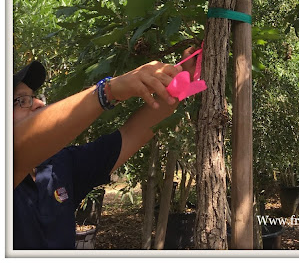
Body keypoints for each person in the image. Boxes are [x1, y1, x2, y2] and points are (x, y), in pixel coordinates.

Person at [13, 51, 196, 250]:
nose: (39, 103)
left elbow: (131, 134)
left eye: (33, 97)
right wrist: (109, 91)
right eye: (21, 101)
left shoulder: (61, 165)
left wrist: (182, 80)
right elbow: (16, 149)